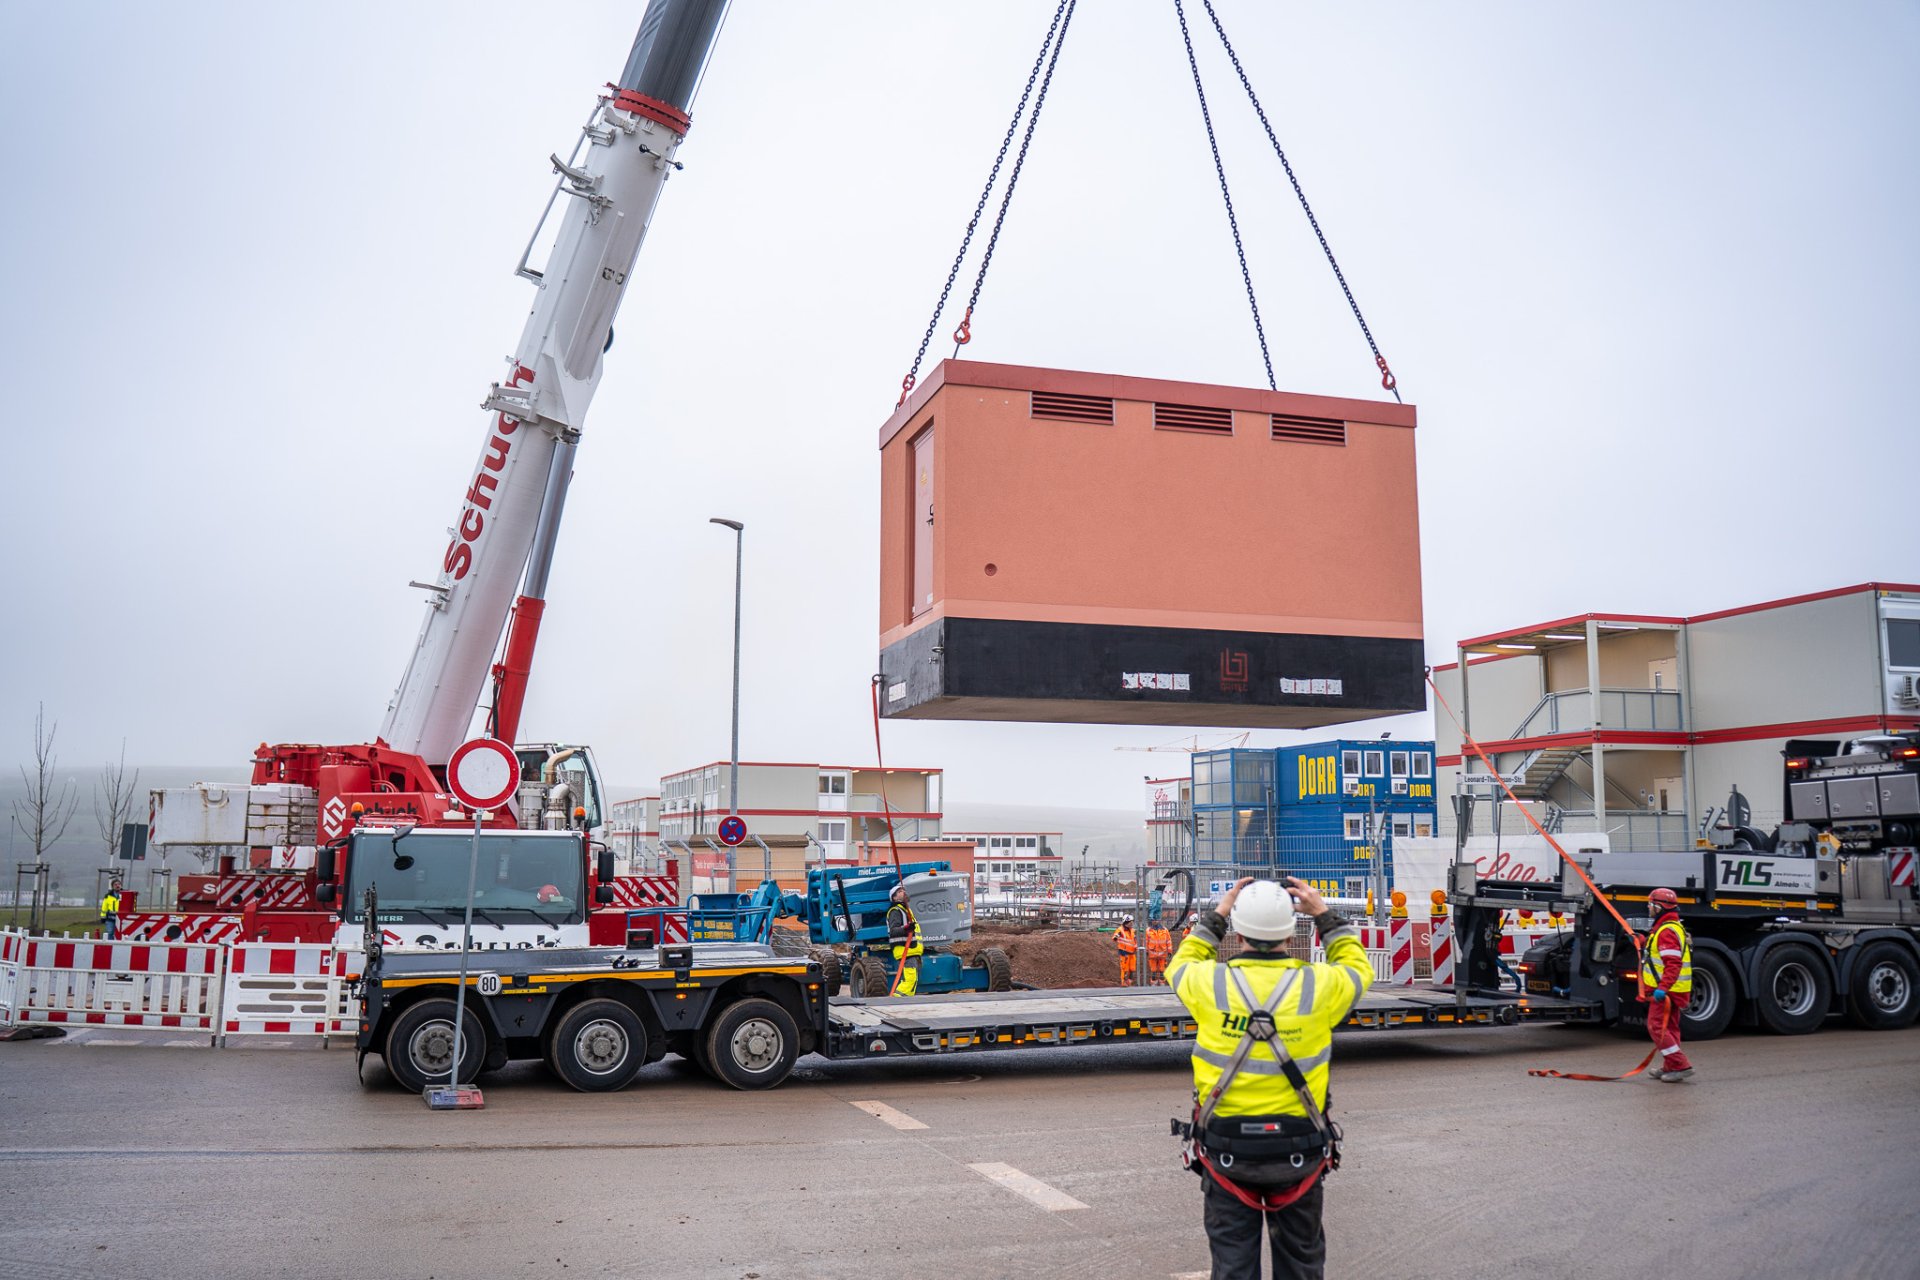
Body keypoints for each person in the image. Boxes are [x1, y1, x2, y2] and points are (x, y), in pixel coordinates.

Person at [1169, 876, 1373, 1280]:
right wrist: (1324, 915)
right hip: (1299, 1151)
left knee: (1232, 1267)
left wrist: (1218, 915)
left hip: (1227, 1151)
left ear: (1238, 931)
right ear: (1292, 931)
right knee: (1301, 1263)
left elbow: (1182, 963)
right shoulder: (1320, 985)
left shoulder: (1211, 984)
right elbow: (1357, 967)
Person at [1640, 887, 1695, 1082]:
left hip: (1667, 991)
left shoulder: (1666, 931)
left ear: (1658, 906)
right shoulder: (1670, 927)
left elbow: (1673, 964)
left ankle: (1680, 1065)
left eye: (1650, 904)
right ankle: (1671, 1066)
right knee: (1670, 1028)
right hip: (1674, 990)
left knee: (1656, 1027)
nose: (1648, 907)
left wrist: (1662, 989)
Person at [885, 884, 923, 996]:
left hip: (911, 951)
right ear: (894, 898)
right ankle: (895, 1001)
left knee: (911, 982)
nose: (904, 892)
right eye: (900, 891)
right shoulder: (895, 911)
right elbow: (894, 931)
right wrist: (907, 928)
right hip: (905, 951)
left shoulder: (906, 910)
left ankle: (904, 1003)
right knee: (909, 981)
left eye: (903, 890)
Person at [1115, 918, 1138, 985]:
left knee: (1132, 968)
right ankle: (1124, 982)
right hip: (1124, 953)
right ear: (1126, 923)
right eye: (1130, 922)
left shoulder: (1133, 931)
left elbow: (1134, 940)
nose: (1131, 924)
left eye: (1132, 922)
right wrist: (1117, 936)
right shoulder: (1120, 930)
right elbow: (1115, 937)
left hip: (1132, 953)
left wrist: (1136, 947)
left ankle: (1129, 982)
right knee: (1124, 968)